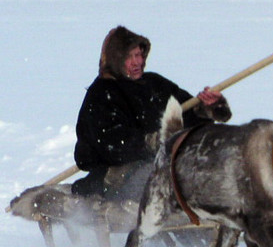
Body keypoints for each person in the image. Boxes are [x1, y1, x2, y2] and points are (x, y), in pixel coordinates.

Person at [71, 26, 232, 201]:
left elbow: (185, 115)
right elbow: (111, 144)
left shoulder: (154, 84)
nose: (137, 62)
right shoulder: (102, 93)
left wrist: (208, 109)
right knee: (163, 185)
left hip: (162, 163)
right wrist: (152, 141)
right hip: (117, 178)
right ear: (116, 60)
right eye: (130, 57)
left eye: (139, 55)